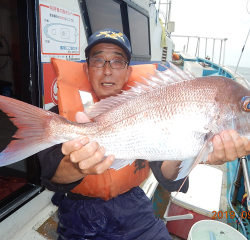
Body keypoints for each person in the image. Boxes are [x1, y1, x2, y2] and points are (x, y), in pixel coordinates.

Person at [38, 28, 250, 240]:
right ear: (87, 69)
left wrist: (199, 155)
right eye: (98, 60)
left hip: (133, 205)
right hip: (79, 211)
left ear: (128, 71)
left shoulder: (149, 102)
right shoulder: (60, 117)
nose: (108, 70)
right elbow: (49, 176)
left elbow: (167, 176)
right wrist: (78, 164)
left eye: (117, 61)